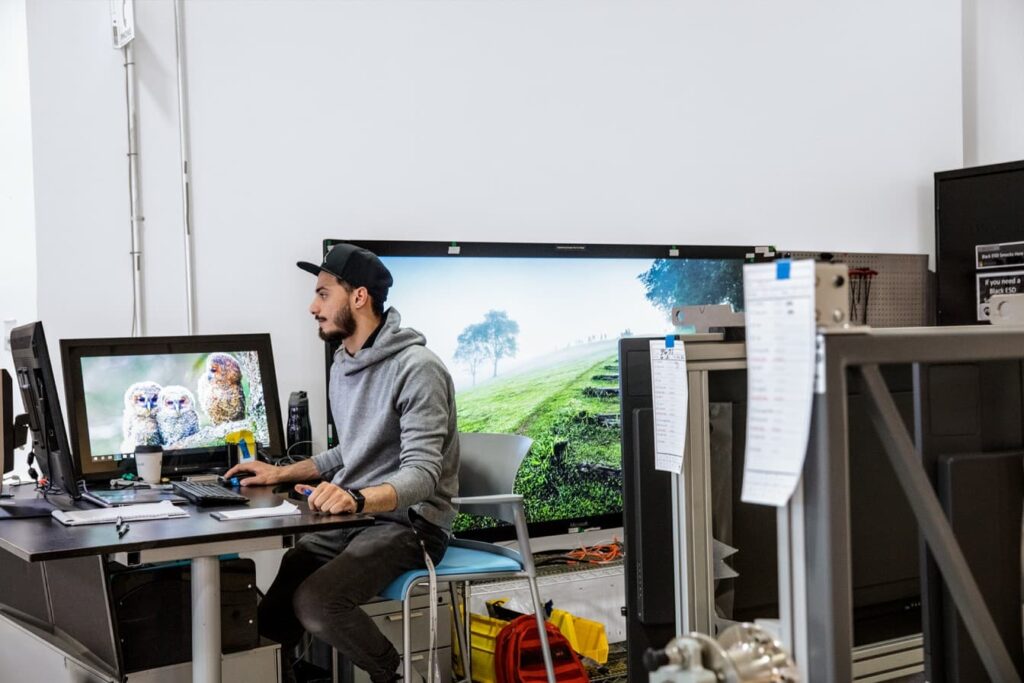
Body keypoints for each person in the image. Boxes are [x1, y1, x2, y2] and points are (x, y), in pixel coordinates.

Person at [225, 243, 460, 682]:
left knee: (316, 602)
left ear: (359, 297)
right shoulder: (343, 364)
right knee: (276, 607)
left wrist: (354, 497)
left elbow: (423, 475)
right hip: (360, 519)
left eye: (323, 293)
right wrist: (279, 472)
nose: (313, 307)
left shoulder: (418, 369)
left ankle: (397, 675)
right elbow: (350, 451)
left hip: (411, 525)